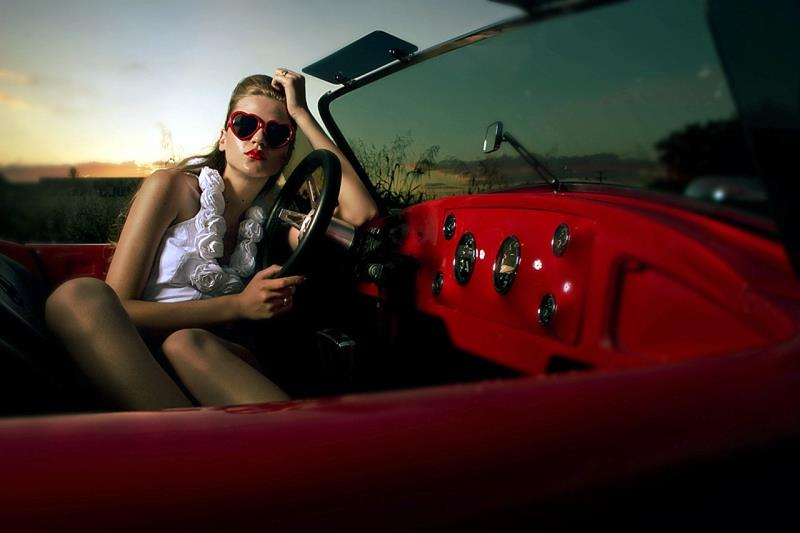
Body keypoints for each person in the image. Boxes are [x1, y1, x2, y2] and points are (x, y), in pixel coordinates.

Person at [45, 70, 378, 410]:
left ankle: (196, 436)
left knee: (186, 343)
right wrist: (238, 305)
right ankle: (184, 432)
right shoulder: (172, 187)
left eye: (277, 133)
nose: (258, 139)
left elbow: (360, 212)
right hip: (132, 359)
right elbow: (118, 310)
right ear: (223, 138)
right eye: (245, 125)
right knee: (75, 296)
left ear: (286, 153)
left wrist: (302, 113)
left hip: (214, 361)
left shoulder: (276, 222)